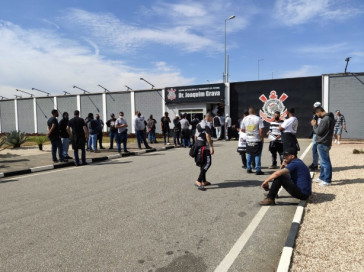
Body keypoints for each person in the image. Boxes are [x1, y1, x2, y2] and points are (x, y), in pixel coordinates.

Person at [311, 106, 335, 186]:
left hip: (323, 143)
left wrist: (314, 125)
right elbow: (324, 130)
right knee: (322, 162)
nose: (317, 116)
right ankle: (322, 177)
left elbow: (319, 132)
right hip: (326, 142)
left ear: (319, 112)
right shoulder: (330, 118)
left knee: (325, 162)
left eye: (317, 114)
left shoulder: (325, 119)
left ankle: (327, 180)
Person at [240, 107, 264, 175]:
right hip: (256, 139)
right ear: (254, 111)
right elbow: (261, 130)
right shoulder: (258, 118)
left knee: (249, 154)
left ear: (249, 112)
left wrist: (248, 132)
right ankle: (258, 169)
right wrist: (262, 138)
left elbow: (242, 129)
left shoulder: (245, 119)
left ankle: (248, 168)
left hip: (248, 139)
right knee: (257, 154)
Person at [195, 112, 214, 191]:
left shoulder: (199, 123)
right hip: (204, 146)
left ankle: (204, 181)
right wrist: (211, 147)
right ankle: (198, 180)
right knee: (208, 163)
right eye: (212, 118)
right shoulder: (207, 124)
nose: (212, 119)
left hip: (198, 144)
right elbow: (207, 135)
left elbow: (195, 135)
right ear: (209, 117)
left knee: (203, 163)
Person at [309, 102, 322, 170]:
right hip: (316, 133)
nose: (313, 108)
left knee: (315, 148)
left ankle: (316, 164)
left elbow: (318, 124)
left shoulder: (318, 115)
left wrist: (314, 124)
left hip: (317, 133)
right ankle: (318, 163)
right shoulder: (316, 114)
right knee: (317, 148)